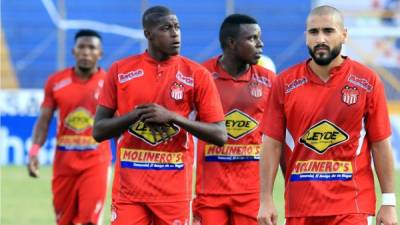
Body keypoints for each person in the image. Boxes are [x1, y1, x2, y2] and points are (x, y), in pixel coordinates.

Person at [257, 5, 398, 225]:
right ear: (306, 37)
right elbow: (271, 143)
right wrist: (265, 199)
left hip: (352, 208)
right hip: (300, 208)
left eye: (328, 31)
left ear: (344, 34)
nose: (320, 38)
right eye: (314, 32)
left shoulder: (367, 81)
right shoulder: (284, 83)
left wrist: (389, 203)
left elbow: (381, 144)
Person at [93, 5, 227, 225]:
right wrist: (135, 116)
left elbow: (220, 135)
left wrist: (173, 117)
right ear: (148, 34)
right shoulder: (120, 71)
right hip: (129, 193)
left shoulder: (197, 75)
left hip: (174, 194)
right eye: (167, 28)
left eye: (177, 27)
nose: (175, 34)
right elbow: (98, 131)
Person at [192, 14, 276, 225]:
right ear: (231, 43)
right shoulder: (201, 76)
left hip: (251, 193)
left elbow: (278, 138)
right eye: (253, 38)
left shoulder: (269, 81)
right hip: (208, 192)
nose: (261, 44)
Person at [27, 29, 112, 225]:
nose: (86, 52)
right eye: (81, 47)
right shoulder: (56, 82)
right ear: (73, 51)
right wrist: (33, 151)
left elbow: (118, 123)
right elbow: (44, 120)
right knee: (64, 221)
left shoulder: (109, 84)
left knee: (90, 220)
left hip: (96, 163)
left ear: (100, 53)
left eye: (92, 48)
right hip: (64, 165)